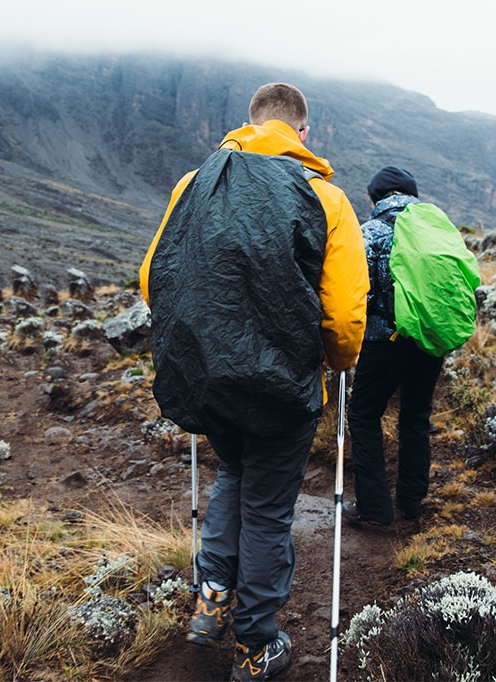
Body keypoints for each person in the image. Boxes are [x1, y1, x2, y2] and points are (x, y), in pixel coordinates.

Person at [139, 82, 368, 681]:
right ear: (303, 133)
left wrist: (200, 342)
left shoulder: (193, 185)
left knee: (232, 476)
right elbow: (344, 314)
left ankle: (212, 594)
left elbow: (151, 278)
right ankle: (256, 643)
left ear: (248, 124)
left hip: (207, 380)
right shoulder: (327, 198)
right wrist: (337, 361)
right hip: (281, 387)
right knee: (267, 509)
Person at [344, 166, 446, 527]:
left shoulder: (368, 232)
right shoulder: (436, 231)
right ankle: (412, 501)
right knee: (416, 416)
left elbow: (358, 290)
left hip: (383, 339)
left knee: (363, 414)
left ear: (375, 198)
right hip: (429, 338)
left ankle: (375, 510)